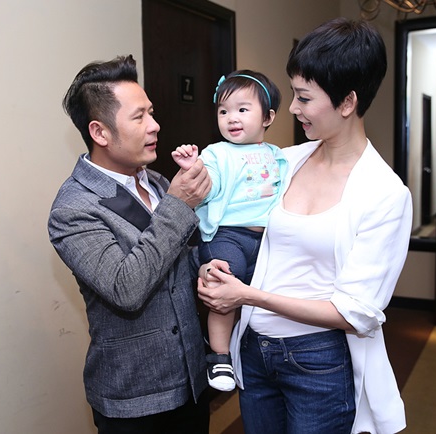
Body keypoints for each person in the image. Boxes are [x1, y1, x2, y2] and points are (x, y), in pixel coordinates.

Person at [198, 18, 411, 434]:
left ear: (347, 102)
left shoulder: (384, 193)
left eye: (304, 97)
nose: (293, 108)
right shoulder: (285, 161)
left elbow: (354, 312)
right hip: (254, 349)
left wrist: (247, 294)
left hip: (317, 360)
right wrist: (216, 265)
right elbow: (241, 226)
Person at [48, 55, 212, 434]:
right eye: (139, 117)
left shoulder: (156, 182)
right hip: (134, 400)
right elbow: (126, 288)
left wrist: (206, 263)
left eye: (151, 113)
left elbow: (174, 265)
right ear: (100, 132)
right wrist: (179, 205)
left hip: (191, 381)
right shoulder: (73, 208)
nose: (155, 125)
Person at [171, 70, 288, 392]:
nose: (231, 118)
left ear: (268, 117)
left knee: (266, 290)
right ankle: (219, 356)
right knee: (224, 282)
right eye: (223, 111)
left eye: (242, 109)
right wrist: (193, 168)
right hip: (228, 236)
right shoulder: (216, 153)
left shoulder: (277, 155)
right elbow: (207, 186)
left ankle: (255, 347)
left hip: (266, 239)